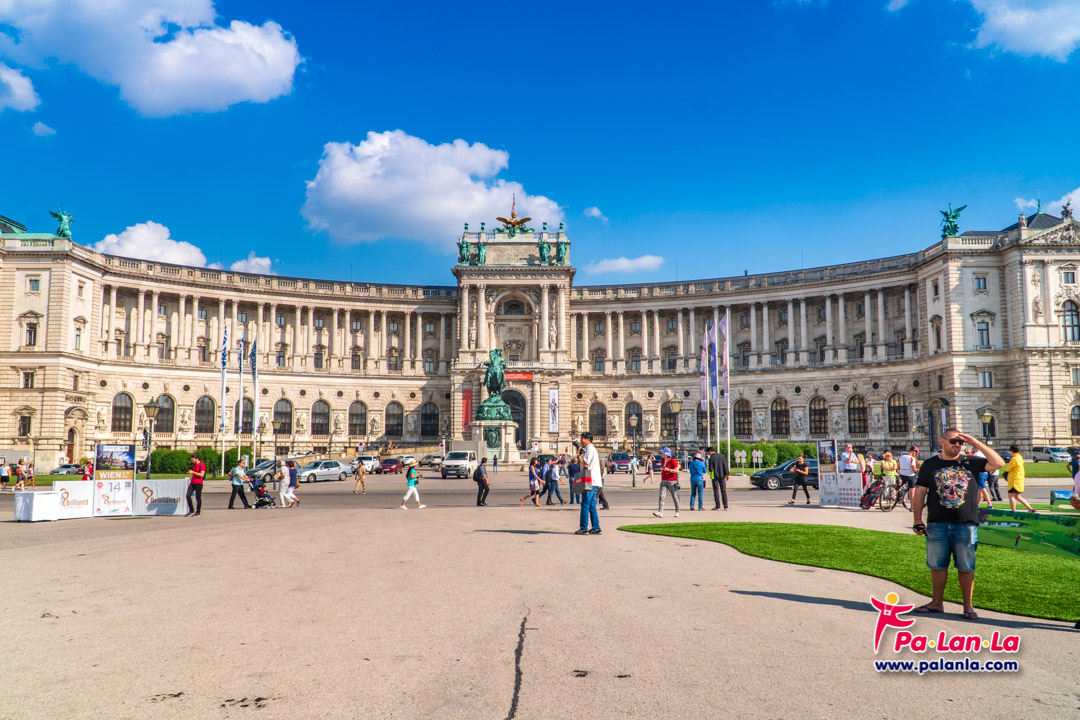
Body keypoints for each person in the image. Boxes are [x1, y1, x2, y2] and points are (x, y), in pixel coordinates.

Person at [911, 428, 1004, 620]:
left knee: (966, 566)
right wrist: (917, 519)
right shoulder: (930, 464)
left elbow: (999, 463)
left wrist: (976, 443)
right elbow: (920, 492)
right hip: (937, 523)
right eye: (954, 441)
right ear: (942, 441)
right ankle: (937, 603)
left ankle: (968, 606)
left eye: (961, 442)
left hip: (966, 523)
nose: (957, 445)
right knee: (937, 565)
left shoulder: (971, 462)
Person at [575, 432, 602, 535]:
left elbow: (585, 464)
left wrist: (578, 454)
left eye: (582, 439)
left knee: (585, 505)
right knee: (591, 505)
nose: (581, 441)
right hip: (594, 481)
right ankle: (596, 527)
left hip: (589, 481)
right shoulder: (590, 449)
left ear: (587, 439)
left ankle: (583, 528)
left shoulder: (590, 449)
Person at [1002, 444, 1035, 512]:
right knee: (1017, 496)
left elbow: (1008, 468)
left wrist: (1005, 473)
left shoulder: (1014, 459)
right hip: (1019, 480)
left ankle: (1013, 510)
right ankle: (1030, 508)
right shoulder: (1019, 457)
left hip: (1014, 481)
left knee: (1011, 496)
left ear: (1012, 451)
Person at [652, 447, 680, 518]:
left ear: (666, 454)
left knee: (674, 496)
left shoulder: (672, 461)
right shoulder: (662, 461)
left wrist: (669, 470)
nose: (661, 454)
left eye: (663, 453)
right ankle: (660, 512)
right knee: (662, 496)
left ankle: (677, 511)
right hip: (664, 481)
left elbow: (677, 471)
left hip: (672, 481)